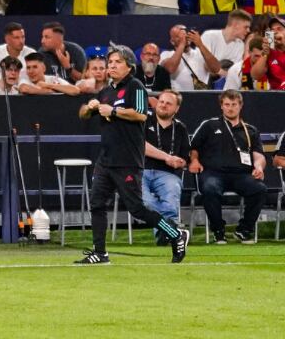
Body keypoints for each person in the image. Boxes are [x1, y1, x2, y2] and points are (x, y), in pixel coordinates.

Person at [75, 47, 188, 265]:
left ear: (129, 66)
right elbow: (82, 115)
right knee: (97, 204)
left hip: (127, 159)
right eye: (110, 62)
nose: (112, 66)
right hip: (106, 159)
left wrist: (114, 111)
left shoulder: (135, 86)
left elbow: (140, 114)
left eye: (117, 62)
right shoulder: (106, 91)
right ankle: (100, 252)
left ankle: (174, 233)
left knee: (137, 208)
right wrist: (89, 107)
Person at [188, 89, 268, 244]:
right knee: (210, 188)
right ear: (221, 106)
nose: (230, 108)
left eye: (234, 104)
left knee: (259, 189)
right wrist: (195, 161)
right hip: (213, 173)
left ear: (240, 106)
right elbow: (193, 148)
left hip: (241, 174)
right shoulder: (209, 125)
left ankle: (244, 230)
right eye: (227, 104)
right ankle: (218, 230)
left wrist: (259, 167)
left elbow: (258, 155)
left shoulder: (250, 130)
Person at [142, 88, 190, 244]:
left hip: (167, 174)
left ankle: (165, 234)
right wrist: (167, 157)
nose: (163, 105)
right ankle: (170, 229)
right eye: (161, 101)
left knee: (172, 193)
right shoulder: (143, 120)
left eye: (168, 103)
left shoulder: (181, 128)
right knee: (146, 202)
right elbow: (140, 146)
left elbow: (184, 157)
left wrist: (180, 161)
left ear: (176, 108)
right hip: (141, 170)